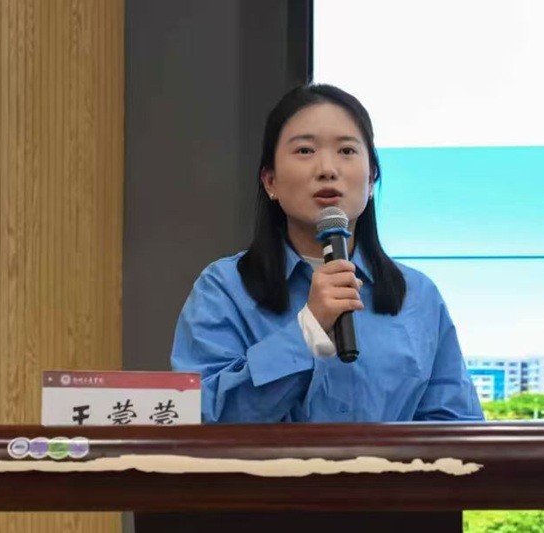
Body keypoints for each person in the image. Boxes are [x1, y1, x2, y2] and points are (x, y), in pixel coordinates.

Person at [170, 83, 483, 423]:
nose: (327, 169)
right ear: (270, 180)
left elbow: (455, 428)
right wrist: (309, 329)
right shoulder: (224, 289)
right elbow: (199, 416)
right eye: (305, 150)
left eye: (346, 150)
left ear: (371, 179)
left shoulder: (418, 295)